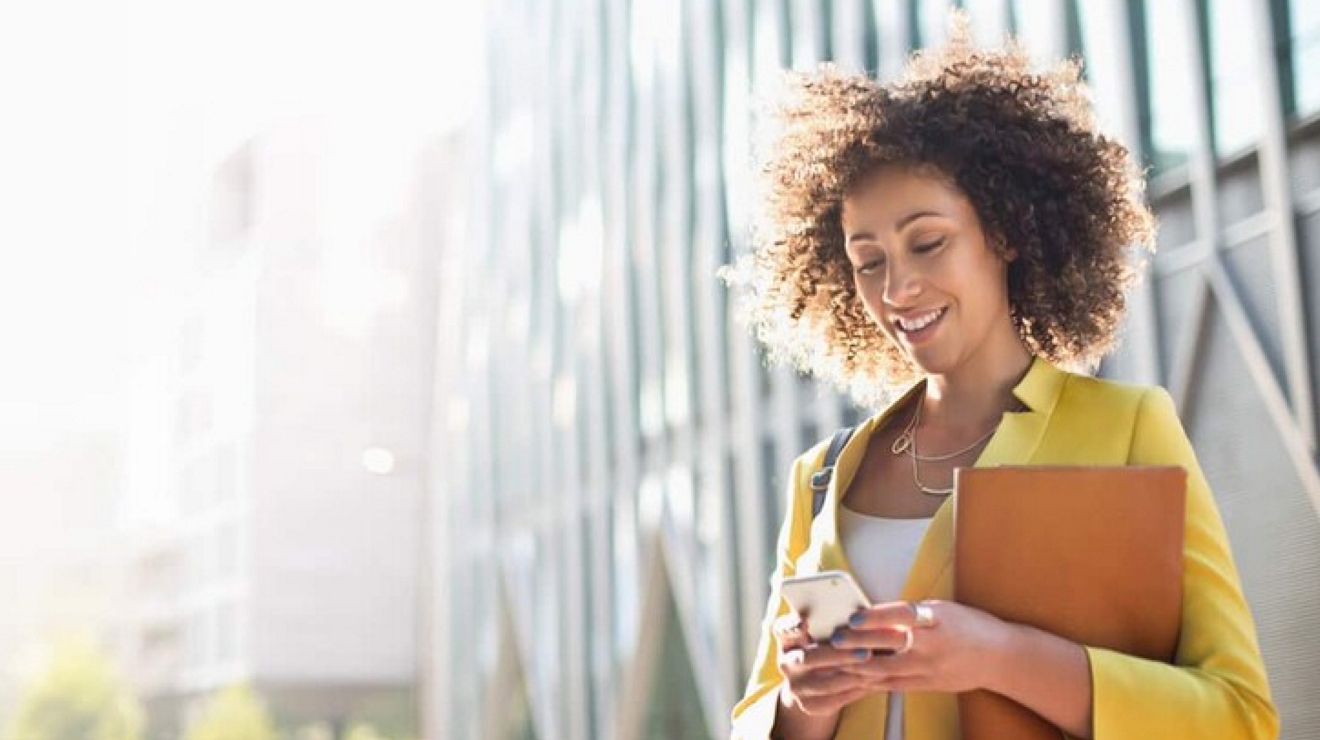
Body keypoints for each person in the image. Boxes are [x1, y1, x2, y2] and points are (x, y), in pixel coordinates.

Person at [724, 21, 1277, 740]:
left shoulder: (1127, 428)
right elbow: (756, 718)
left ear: (1006, 232)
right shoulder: (822, 477)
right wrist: (808, 703)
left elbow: (1240, 717)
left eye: (928, 243)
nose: (897, 289)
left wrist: (1000, 656)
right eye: (869, 261)